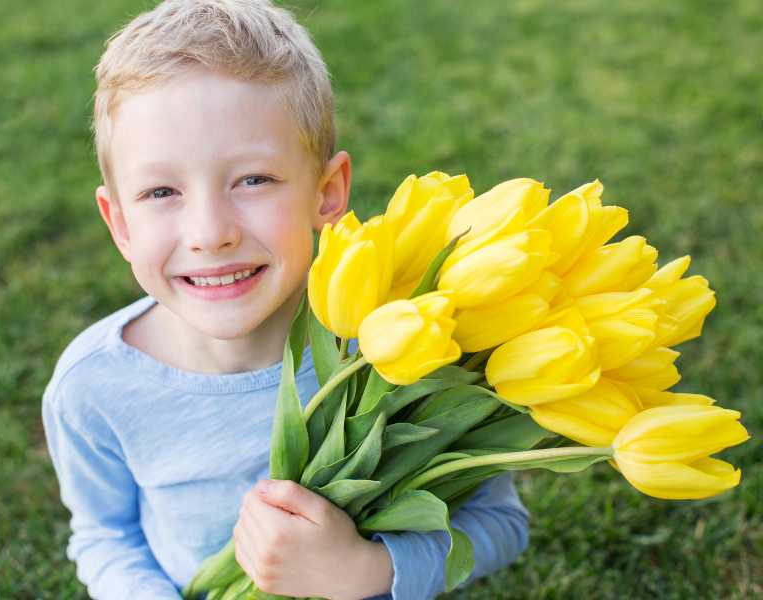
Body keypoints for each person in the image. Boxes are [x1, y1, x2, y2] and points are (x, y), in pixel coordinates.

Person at [41, 1, 530, 598]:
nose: (209, 231)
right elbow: (103, 536)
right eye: (161, 190)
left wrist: (366, 570)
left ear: (327, 194)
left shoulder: (403, 347)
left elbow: (500, 525)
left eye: (252, 180)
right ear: (118, 224)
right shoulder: (95, 388)